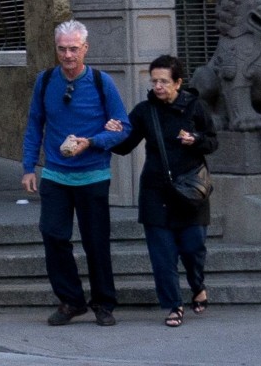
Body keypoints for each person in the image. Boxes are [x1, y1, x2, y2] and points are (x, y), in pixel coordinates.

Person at [20, 20, 131, 328]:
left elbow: (123, 127)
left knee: (96, 242)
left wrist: (92, 142)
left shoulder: (101, 82)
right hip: (55, 175)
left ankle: (103, 303)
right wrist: (28, 167)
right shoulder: (45, 81)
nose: (68, 55)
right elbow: (34, 125)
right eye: (62, 49)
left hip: (93, 175)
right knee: (53, 236)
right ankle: (71, 301)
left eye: (73, 49)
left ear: (85, 49)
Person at [105, 54, 218, 327]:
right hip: (156, 192)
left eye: (164, 81)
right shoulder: (145, 111)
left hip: (190, 192)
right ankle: (173, 305)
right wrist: (113, 132)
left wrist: (196, 139)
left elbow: (213, 142)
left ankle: (197, 285)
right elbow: (124, 147)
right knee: (162, 256)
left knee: (193, 248)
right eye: (154, 81)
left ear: (178, 82)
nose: (158, 86)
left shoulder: (195, 107)